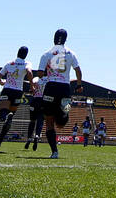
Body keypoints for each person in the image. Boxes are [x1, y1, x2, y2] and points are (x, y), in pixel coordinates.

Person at [36, 28, 83, 159]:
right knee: (64, 116)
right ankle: (62, 113)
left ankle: (54, 152)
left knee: (49, 121)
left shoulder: (46, 54)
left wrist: (47, 72)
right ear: (66, 39)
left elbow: (40, 74)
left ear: (53, 38)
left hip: (51, 87)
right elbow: (78, 71)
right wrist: (79, 85)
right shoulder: (71, 53)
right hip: (65, 89)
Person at [0, 46, 33, 148]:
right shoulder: (27, 63)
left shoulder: (9, 63)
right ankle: (0, 141)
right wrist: (31, 85)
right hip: (18, 92)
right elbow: (29, 72)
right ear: (26, 54)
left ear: (17, 52)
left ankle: (6, 116)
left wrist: (1, 83)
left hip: (7, 89)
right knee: (10, 116)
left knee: (3, 115)